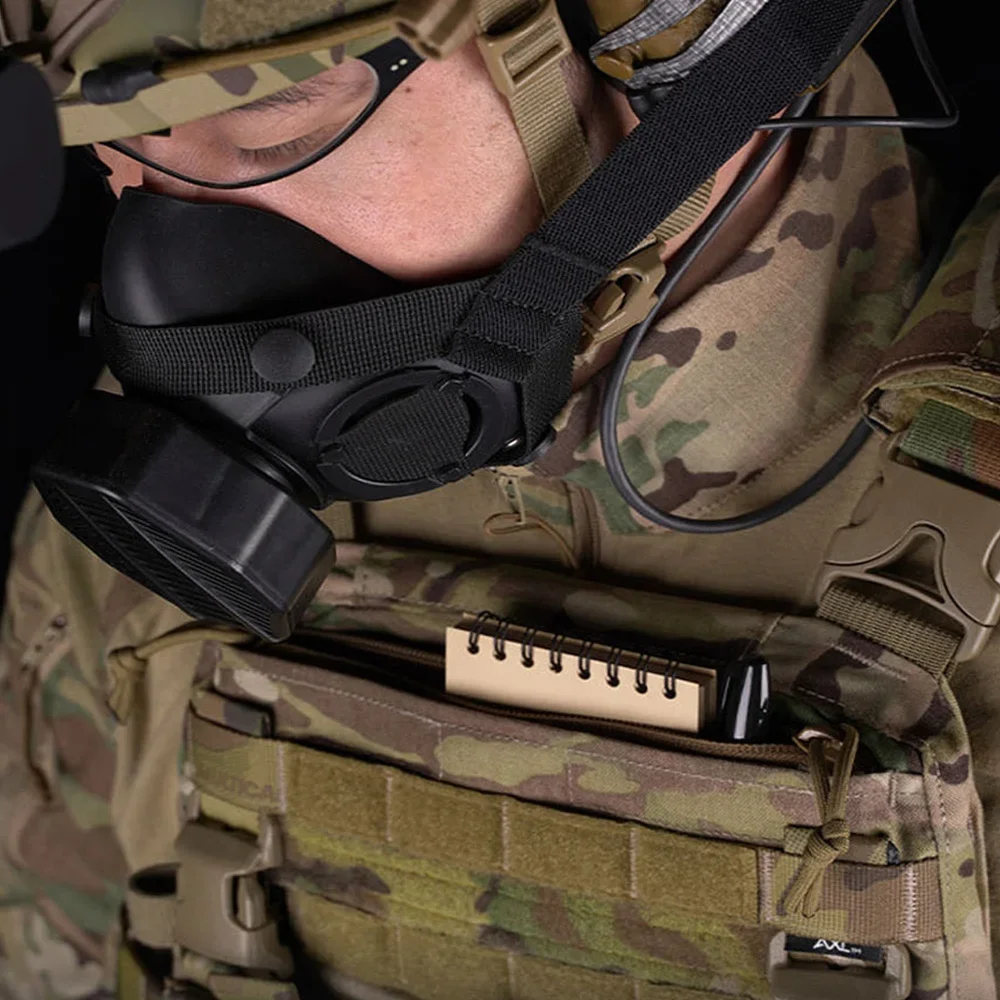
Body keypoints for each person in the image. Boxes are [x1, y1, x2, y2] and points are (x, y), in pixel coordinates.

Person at [2, 0, 998, 997]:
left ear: (674, 28)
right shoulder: (144, 557)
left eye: (271, 122)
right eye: (114, 141)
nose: (157, 258)